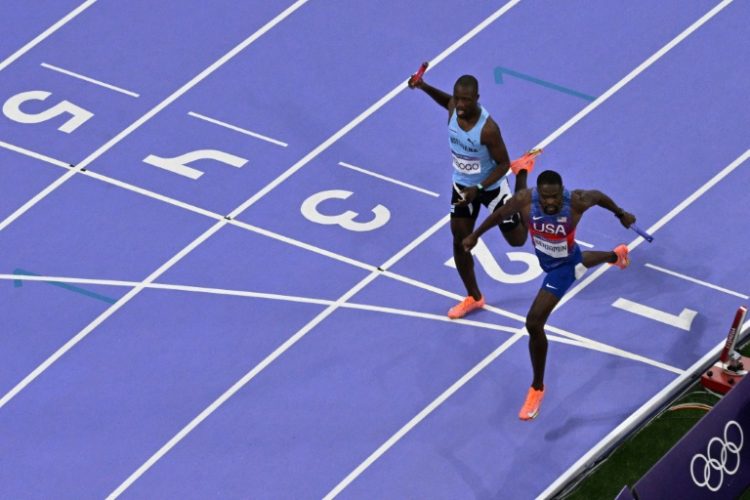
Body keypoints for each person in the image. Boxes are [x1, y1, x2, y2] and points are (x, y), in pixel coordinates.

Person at [462, 170, 634, 420]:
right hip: (559, 259)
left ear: (561, 191)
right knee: (579, 261)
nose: (551, 202)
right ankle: (615, 256)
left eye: (555, 197)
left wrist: (621, 214)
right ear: (538, 194)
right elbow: (500, 214)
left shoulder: (576, 201)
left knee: (533, 323)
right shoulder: (525, 200)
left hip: (560, 270)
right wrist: (475, 235)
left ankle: (537, 388)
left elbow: (598, 196)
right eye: (546, 197)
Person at [409, 72, 533, 320]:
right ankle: (474, 297)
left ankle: (523, 176)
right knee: (459, 240)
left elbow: (502, 164)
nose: (461, 105)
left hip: (493, 188)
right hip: (463, 187)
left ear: (477, 98)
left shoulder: (488, 129)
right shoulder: (454, 107)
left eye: (467, 100)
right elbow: (445, 101)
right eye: (458, 99)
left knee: (517, 240)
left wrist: (481, 187)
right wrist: (422, 86)